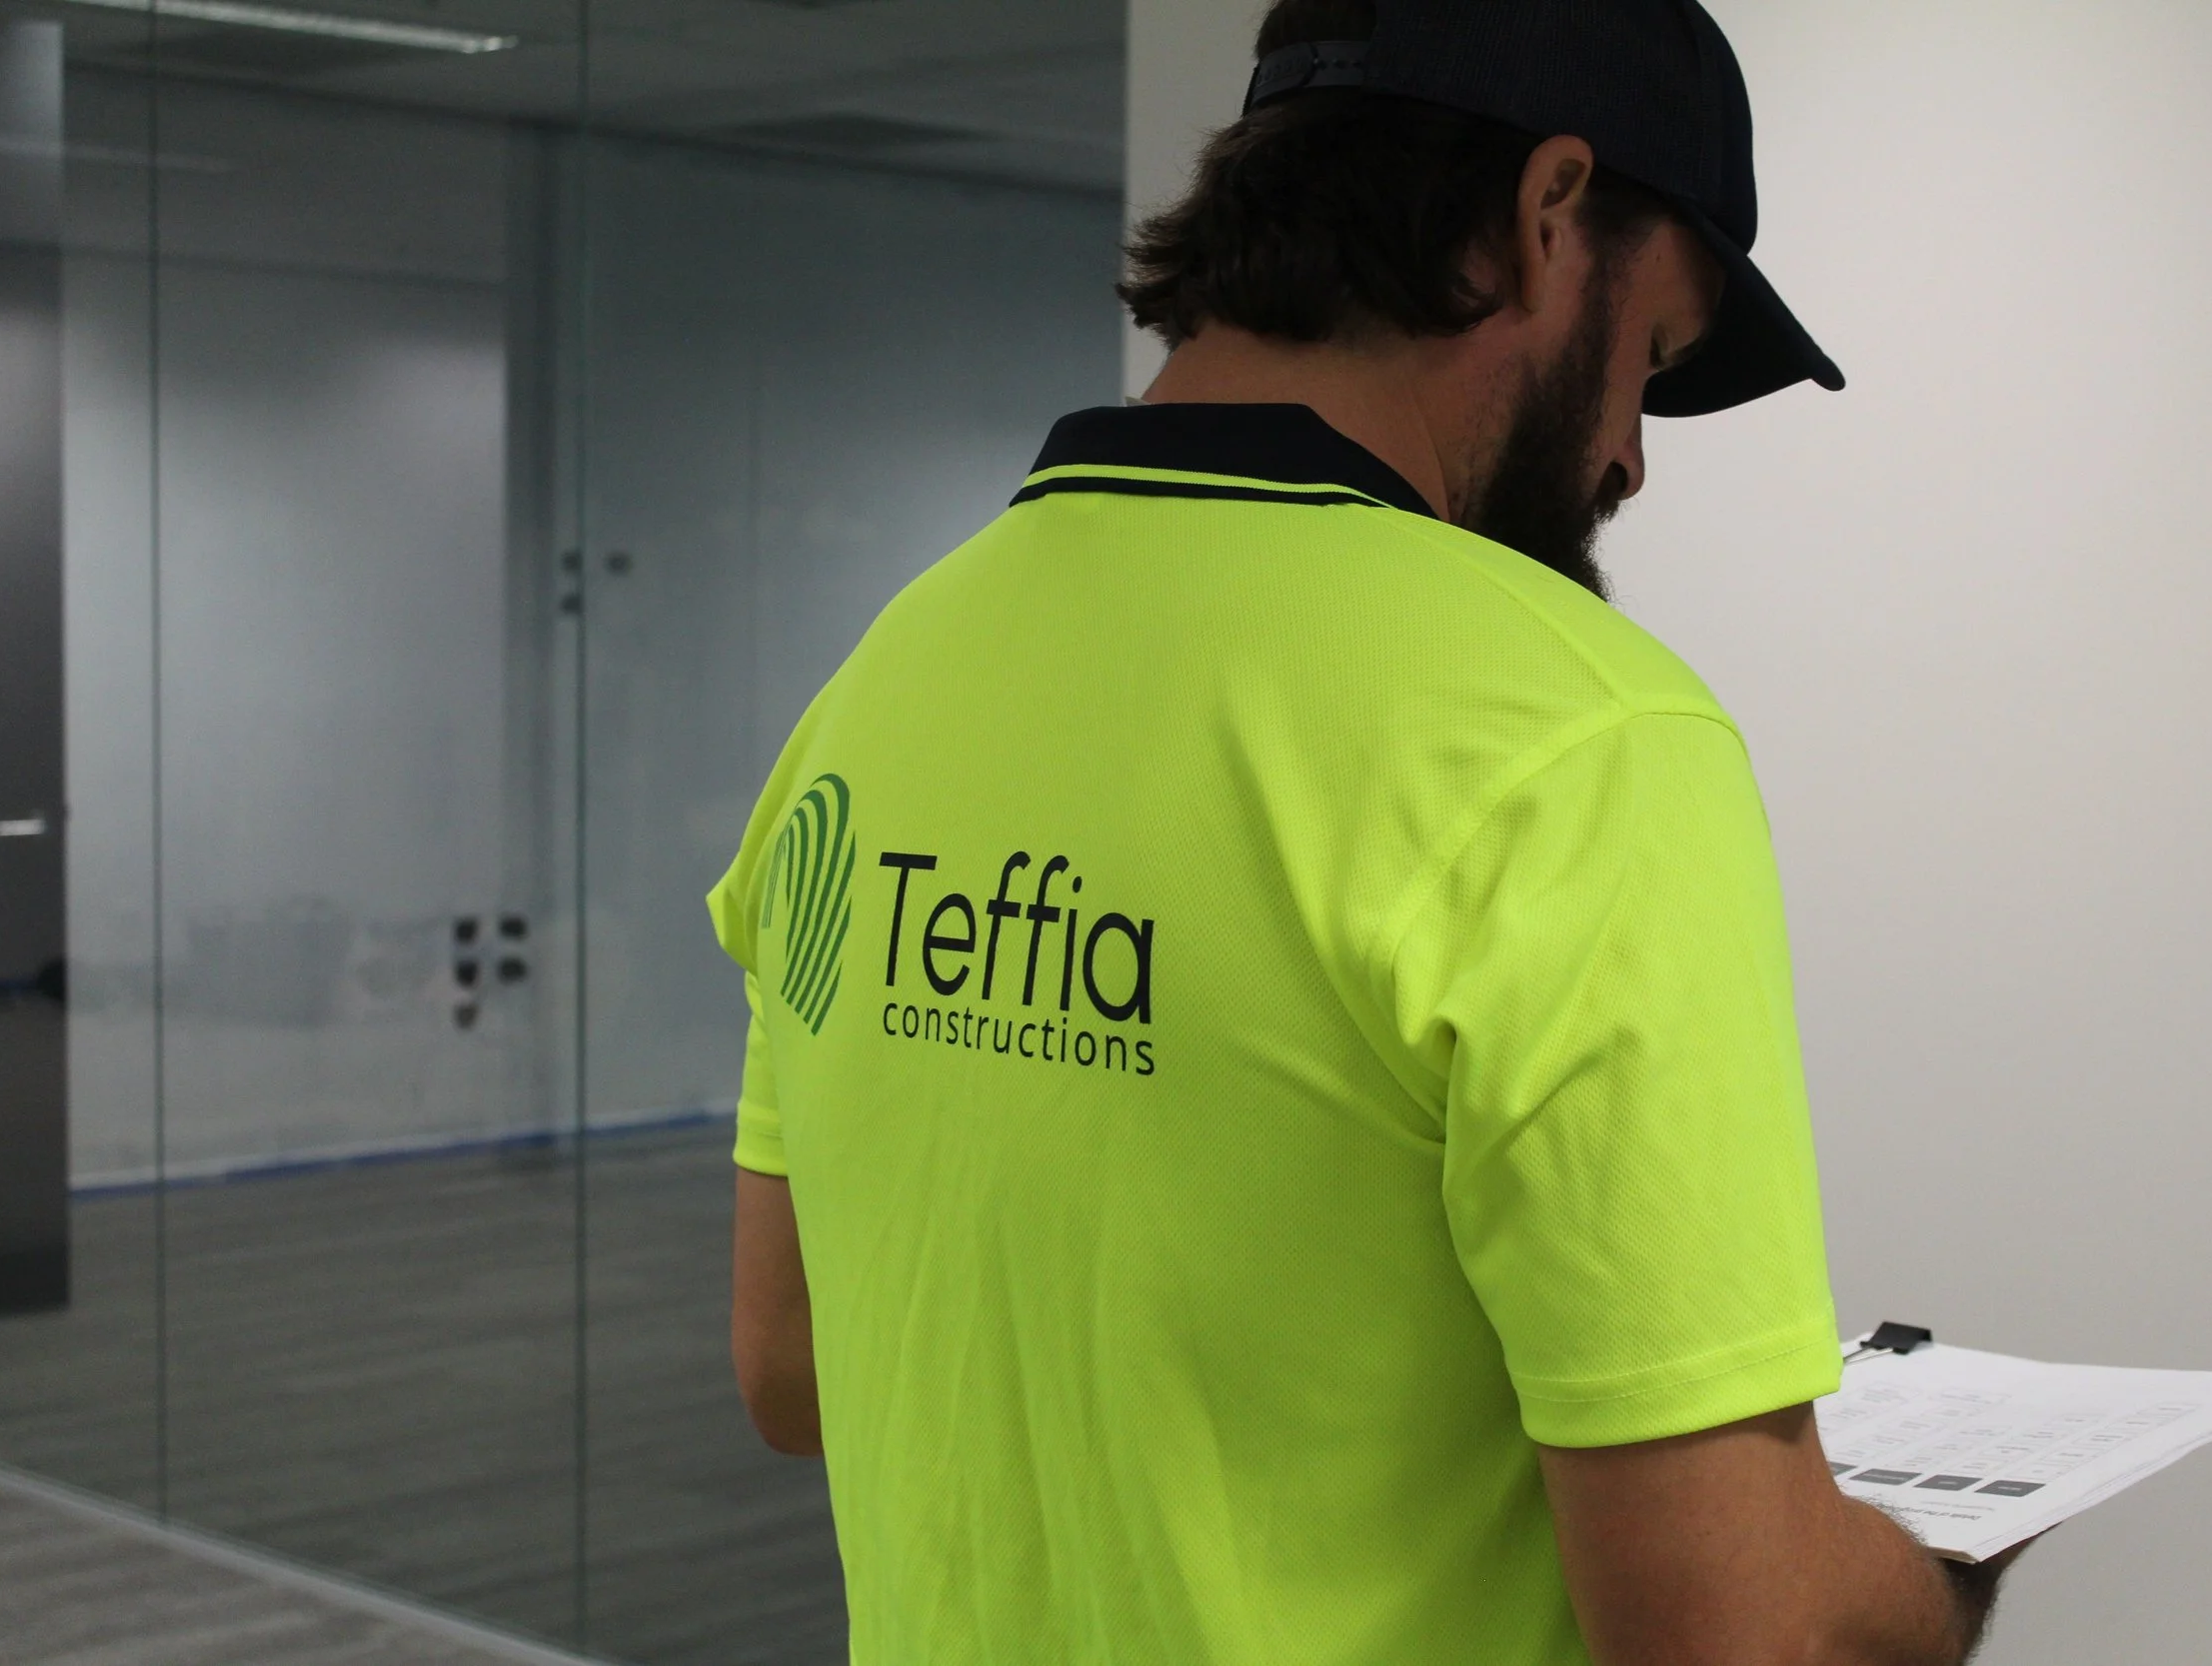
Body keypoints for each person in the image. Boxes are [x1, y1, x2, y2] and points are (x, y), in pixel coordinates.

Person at [717, 0, 2027, 1660]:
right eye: (1650, 361)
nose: (1626, 453)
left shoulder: (887, 680)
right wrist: (1939, 1567)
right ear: (1550, 216)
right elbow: (1737, 1633)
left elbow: (791, 1359)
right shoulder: (1578, 736)